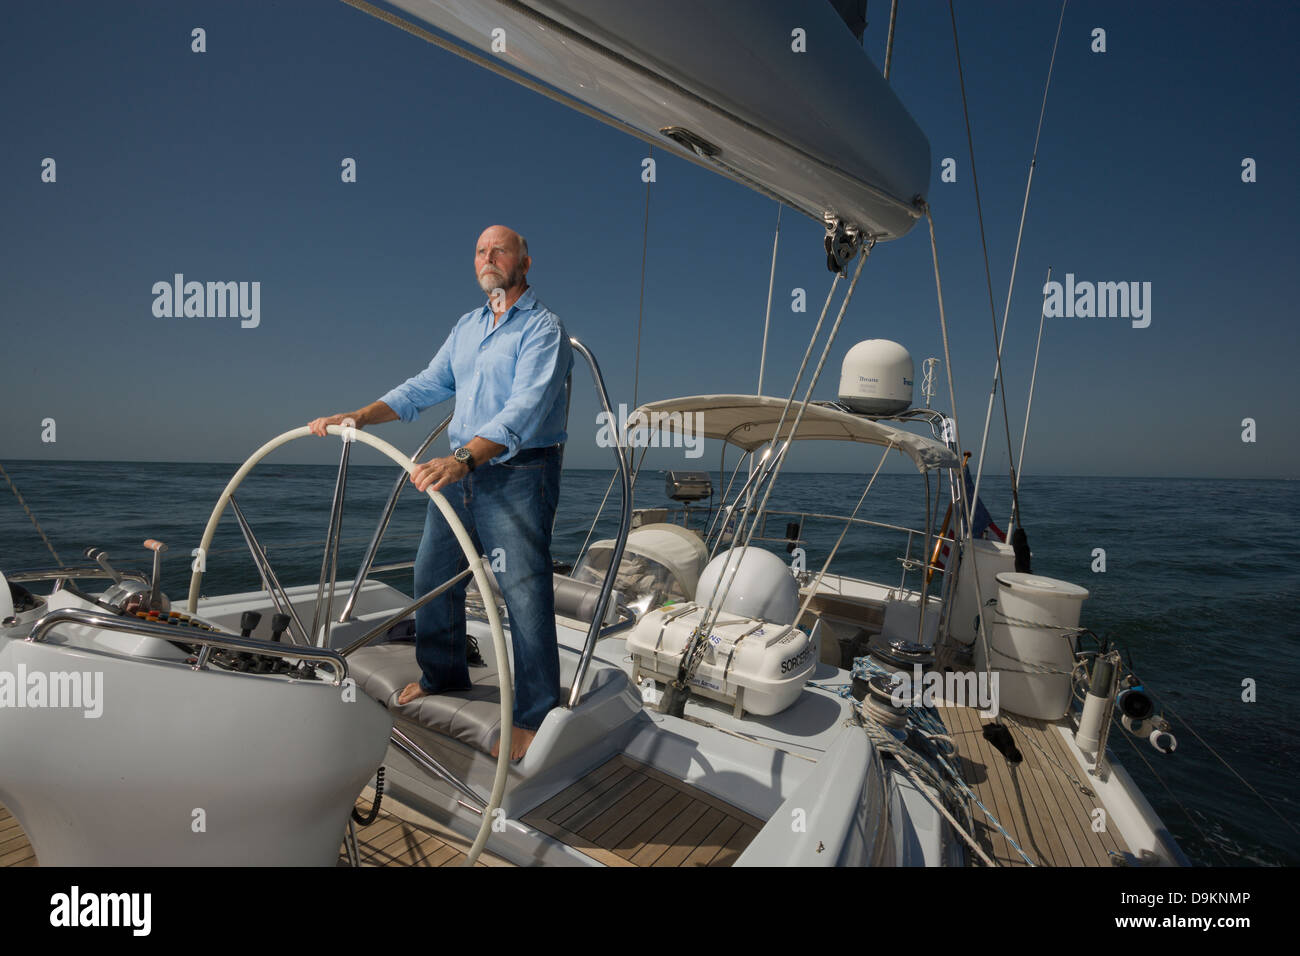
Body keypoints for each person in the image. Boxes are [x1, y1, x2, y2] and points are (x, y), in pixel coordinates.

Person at [309, 225, 572, 760]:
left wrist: (461, 459)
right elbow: (426, 385)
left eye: (500, 248)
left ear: (525, 261)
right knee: (432, 574)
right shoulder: (468, 327)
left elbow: (525, 409)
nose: (488, 257)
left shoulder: (544, 329)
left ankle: (536, 712)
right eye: (480, 250)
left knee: (522, 591)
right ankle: (444, 676)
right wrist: (361, 416)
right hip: (460, 473)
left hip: (518, 473)